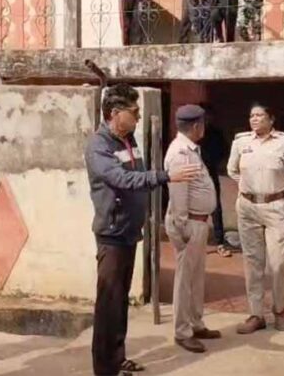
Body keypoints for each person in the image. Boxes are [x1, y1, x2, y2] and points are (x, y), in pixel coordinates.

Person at [85, 83, 200, 376]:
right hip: (112, 234)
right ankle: (105, 369)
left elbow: (137, 174)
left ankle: (117, 358)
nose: (138, 116)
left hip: (128, 231)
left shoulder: (128, 139)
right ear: (115, 113)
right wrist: (165, 176)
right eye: (134, 112)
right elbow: (122, 179)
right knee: (109, 303)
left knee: (120, 302)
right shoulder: (99, 145)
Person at [228, 103, 284, 334]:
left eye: (260, 115)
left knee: (279, 262)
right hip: (248, 206)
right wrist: (250, 187)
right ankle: (256, 314)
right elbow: (233, 170)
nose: (254, 119)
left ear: (271, 119)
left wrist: (277, 187)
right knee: (253, 262)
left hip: (275, 207)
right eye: (252, 115)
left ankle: (280, 310)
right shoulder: (241, 142)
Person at [165, 105, 222, 353]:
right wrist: (182, 225)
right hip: (188, 222)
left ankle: (196, 323)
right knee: (185, 280)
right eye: (203, 124)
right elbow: (178, 193)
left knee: (196, 278)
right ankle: (182, 331)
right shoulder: (180, 153)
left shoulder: (190, 149)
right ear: (197, 126)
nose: (204, 128)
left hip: (197, 222)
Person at [198, 104, 231, 257]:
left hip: (210, 173)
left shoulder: (216, 134)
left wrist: (216, 164)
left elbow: (224, 151)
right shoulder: (194, 133)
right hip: (194, 175)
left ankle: (219, 243)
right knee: (196, 209)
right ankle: (197, 243)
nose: (206, 119)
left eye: (208, 116)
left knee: (216, 208)